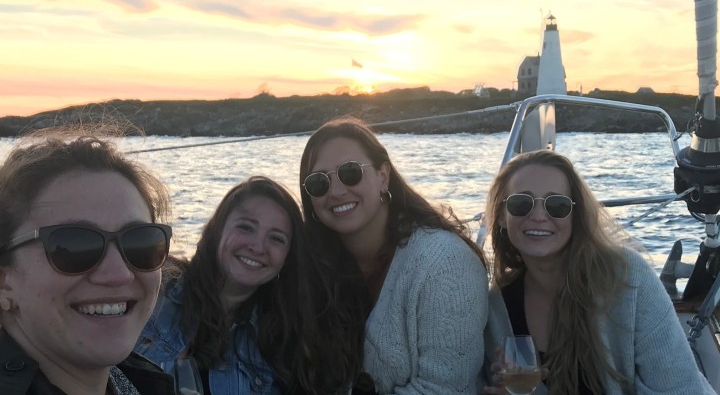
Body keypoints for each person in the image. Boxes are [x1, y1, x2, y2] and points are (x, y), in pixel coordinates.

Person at [481, 149, 716, 394]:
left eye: (557, 205)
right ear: (500, 216)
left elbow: (681, 389)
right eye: (521, 203)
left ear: (576, 216)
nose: (539, 216)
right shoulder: (498, 306)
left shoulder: (627, 279)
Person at [299, 116, 488, 394]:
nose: (337, 191)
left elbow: (444, 389)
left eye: (350, 173)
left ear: (383, 176)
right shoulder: (315, 268)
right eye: (319, 183)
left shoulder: (444, 263)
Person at [135, 175, 366, 395]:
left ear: (287, 257)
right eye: (246, 227)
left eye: (276, 238)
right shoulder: (155, 290)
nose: (257, 246)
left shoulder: (280, 340)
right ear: (218, 230)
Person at [0, 130, 175, 395]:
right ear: (3, 280)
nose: (119, 274)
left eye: (141, 242)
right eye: (74, 246)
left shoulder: (140, 382)